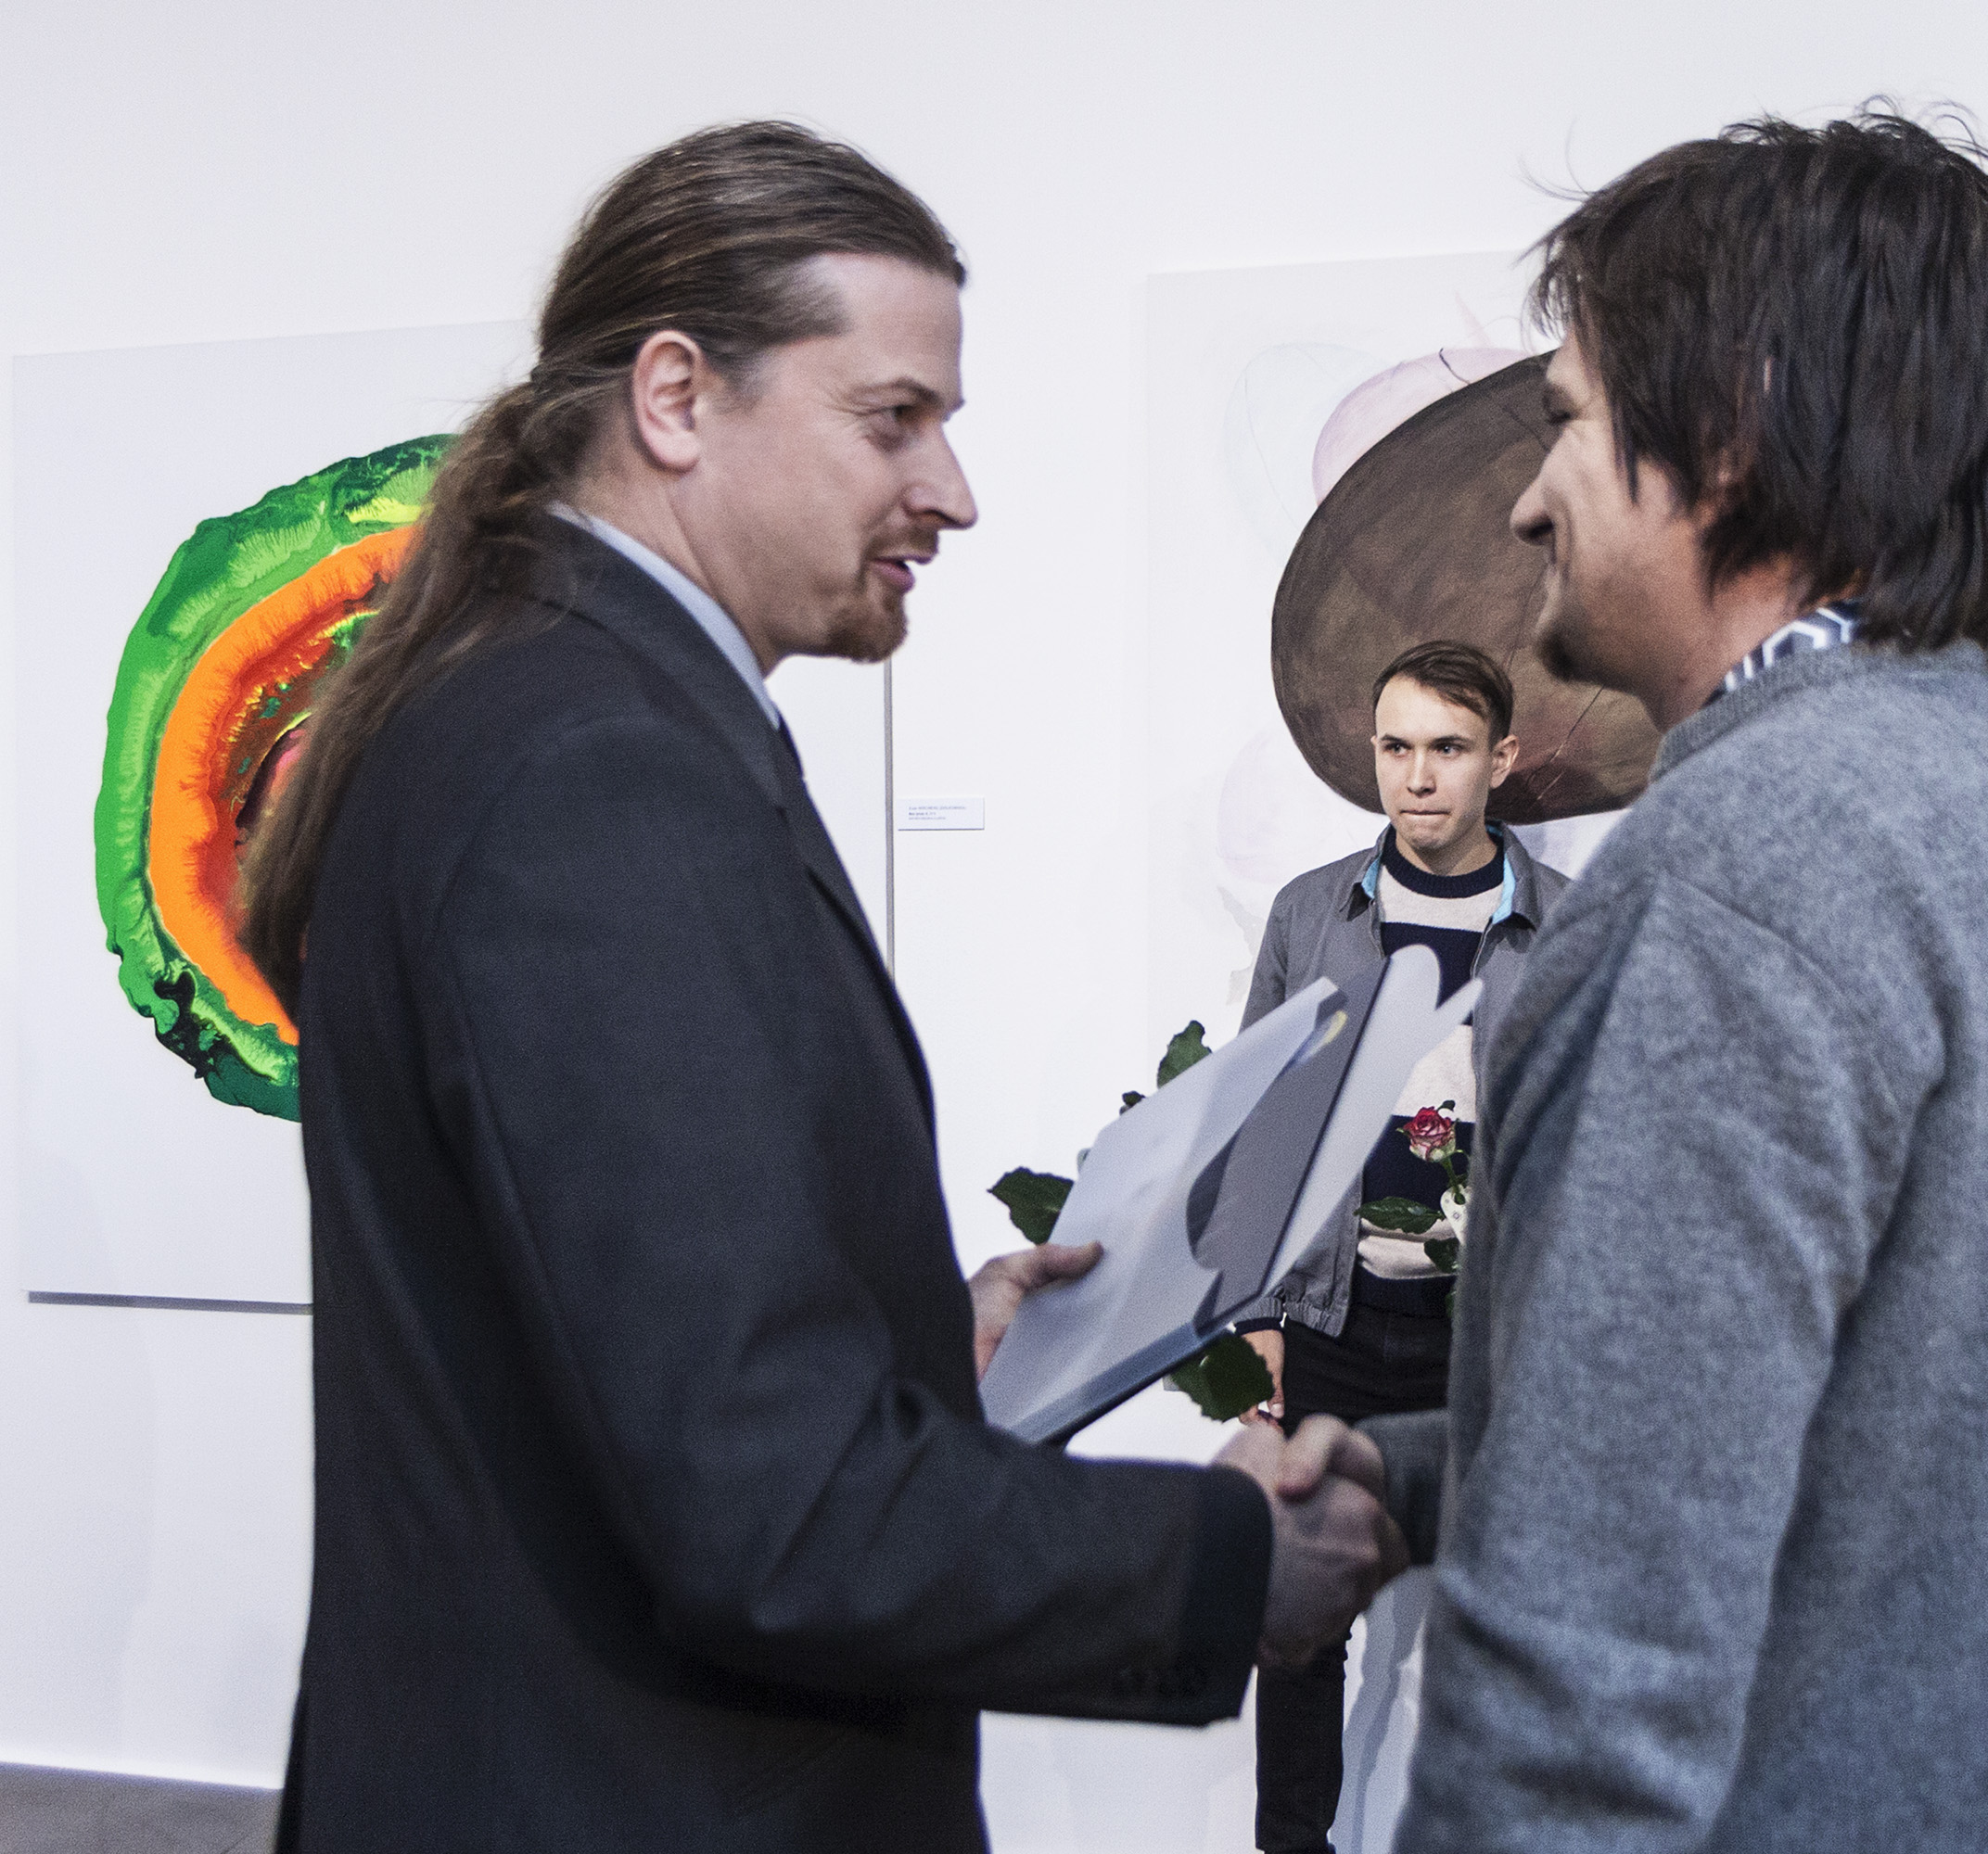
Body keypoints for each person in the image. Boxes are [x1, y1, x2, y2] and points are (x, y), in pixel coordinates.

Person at [236, 122, 1401, 1854]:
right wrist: (1230, 1562)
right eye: (894, 418)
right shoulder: (597, 774)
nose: (953, 490)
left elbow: (617, 1325)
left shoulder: (564, 709)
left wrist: (921, 1338)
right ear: (677, 397)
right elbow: (761, 1508)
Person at [1359, 112, 1988, 1852]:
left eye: (1571, 423)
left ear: (1733, 432)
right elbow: (1909, 1455)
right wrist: (1412, 1479)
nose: (1529, 499)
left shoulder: (1738, 880)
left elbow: (1580, 1695)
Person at [1233, 639, 1569, 1854]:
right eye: (1396, 748)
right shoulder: (1312, 914)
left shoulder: (1568, 922)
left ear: (1501, 759)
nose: (1417, 778)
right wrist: (1257, 1317)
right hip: (1334, 1320)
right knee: (1301, 1617)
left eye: (1448, 749)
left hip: (1490, 1336)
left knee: (1516, 1616)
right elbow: (1263, 1121)